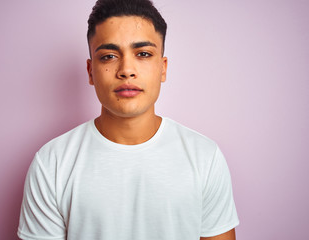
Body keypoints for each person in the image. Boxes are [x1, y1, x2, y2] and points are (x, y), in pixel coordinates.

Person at [17, 0, 239, 239]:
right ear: (90, 71)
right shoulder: (52, 163)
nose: (126, 70)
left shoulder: (204, 156)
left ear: (162, 68)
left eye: (143, 54)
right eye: (109, 56)